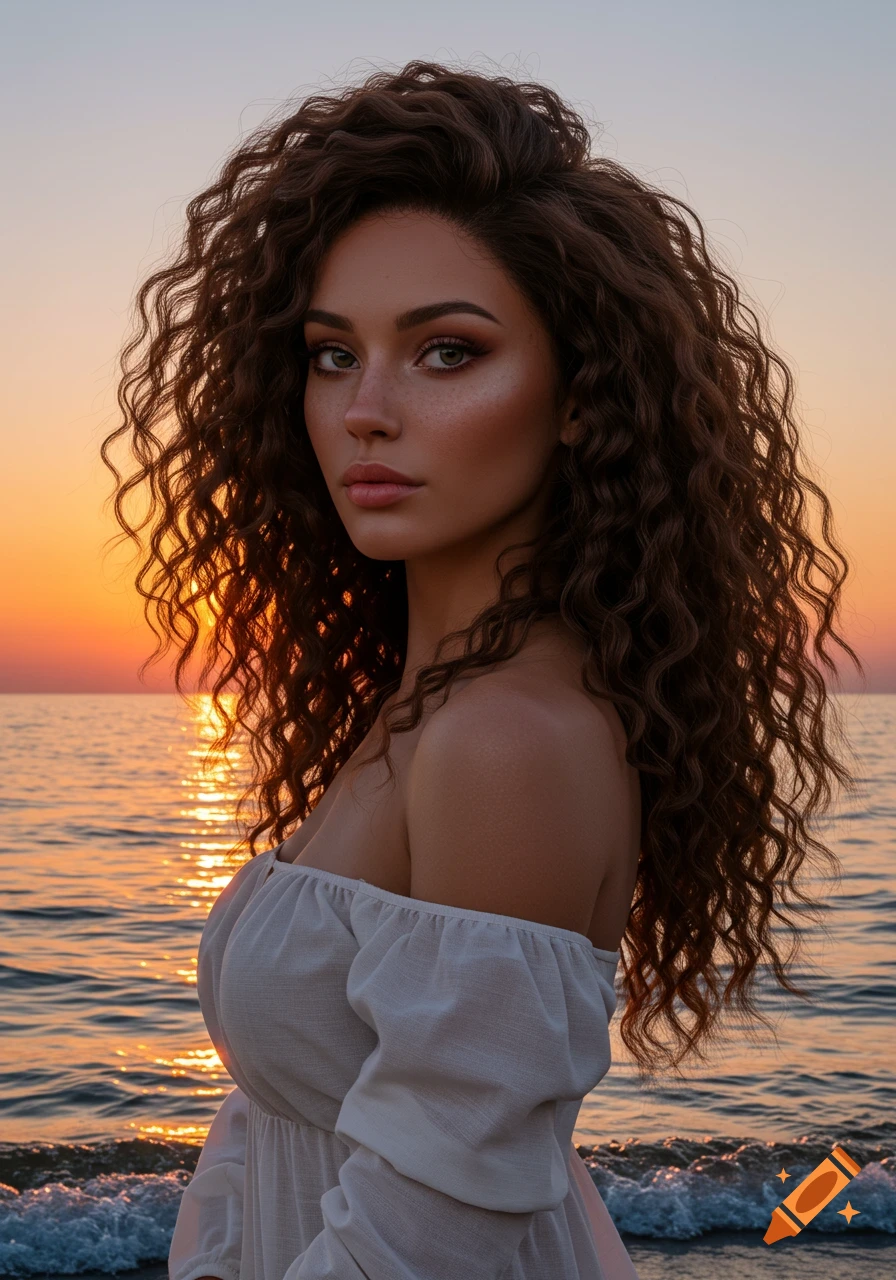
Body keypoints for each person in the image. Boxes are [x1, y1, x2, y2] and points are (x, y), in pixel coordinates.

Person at [102, 59, 860, 1280]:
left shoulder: (506, 738)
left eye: (446, 352)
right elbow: (307, 1127)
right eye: (331, 354)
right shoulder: (430, 701)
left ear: (580, 399)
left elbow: (433, 1236)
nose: (364, 408)